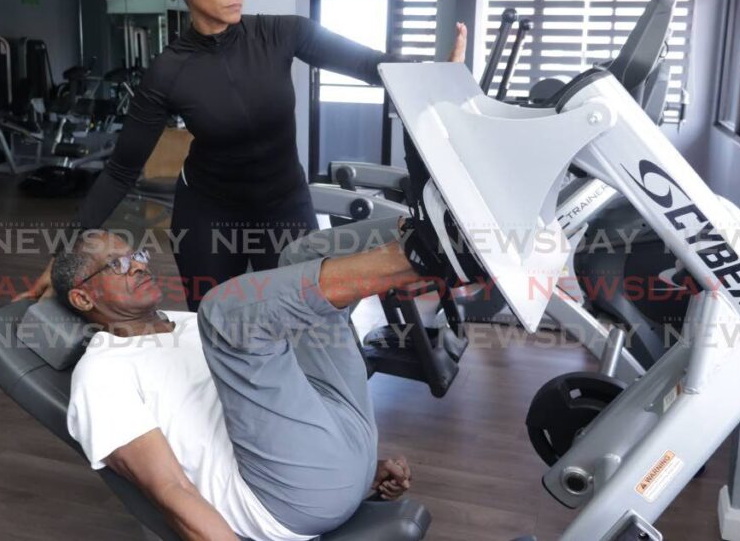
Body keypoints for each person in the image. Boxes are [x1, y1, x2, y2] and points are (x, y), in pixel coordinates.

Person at [20, 0, 467, 308]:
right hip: (208, 217)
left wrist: (434, 75)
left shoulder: (280, 33)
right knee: (216, 328)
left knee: (305, 319)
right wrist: (63, 257)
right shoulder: (167, 72)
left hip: (284, 206)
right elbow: (120, 171)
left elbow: (373, 66)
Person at [51, 215, 472, 540]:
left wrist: (361, 472)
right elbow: (170, 490)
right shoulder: (101, 372)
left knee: (300, 255)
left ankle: (436, 228)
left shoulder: (185, 323)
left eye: (138, 255)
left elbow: (274, 406)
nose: (139, 266)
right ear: (83, 296)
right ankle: (422, 256)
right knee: (226, 310)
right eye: (118, 264)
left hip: (338, 450)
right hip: (283, 500)